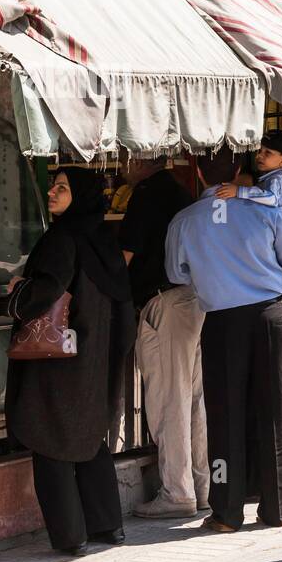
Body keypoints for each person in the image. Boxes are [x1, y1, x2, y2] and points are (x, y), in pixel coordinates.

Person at [165, 147, 282, 533]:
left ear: (196, 170)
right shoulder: (266, 211)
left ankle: (227, 512)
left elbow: (176, 273)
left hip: (222, 321)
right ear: (242, 170)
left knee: (225, 413)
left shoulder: (184, 220)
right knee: (276, 411)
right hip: (269, 315)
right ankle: (277, 509)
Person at [6, 168, 136, 555]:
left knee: (50, 438)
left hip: (60, 360)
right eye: (53, 185)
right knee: (89, 437)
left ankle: (71, 536)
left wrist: (17, 291)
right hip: (96, 360)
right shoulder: (102, 241)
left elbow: (47, 290)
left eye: (62, 187)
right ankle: (107, 526)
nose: (52, 192)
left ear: (78, 195)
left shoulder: (61, 238)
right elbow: (123, 303)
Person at [118, 156, 205, 520]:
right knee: (194, 399)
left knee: (170, 398)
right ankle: (202, 487)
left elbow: (124, 256)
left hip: (165, 301)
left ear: (138, 157)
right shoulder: (182, 192)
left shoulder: (147, 193)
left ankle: (177, 491)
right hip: (194, 298)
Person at [215, 129, 282, 224]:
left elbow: (271, 197)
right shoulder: (270, 179)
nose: (259, 156)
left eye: (267, 153)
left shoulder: (277, 180)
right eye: (259, 151)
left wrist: (238, 191)